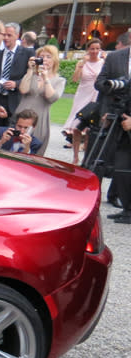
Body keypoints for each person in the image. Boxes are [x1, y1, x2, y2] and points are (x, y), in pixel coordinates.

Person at [96, 37, 131, 223]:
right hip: (117, 118)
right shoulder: (115, 57)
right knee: (120, 165)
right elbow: (100, 83)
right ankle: (127, 208)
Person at [16, 45, 64, 157]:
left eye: (48, 57)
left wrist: (46, 78)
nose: (45, 60)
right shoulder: (31, 74)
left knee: (34, 153)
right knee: (15, 148)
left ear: (55, 60)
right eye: (42, 57)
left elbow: (52, 97)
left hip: (40, 119)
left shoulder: (59, 80)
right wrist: (30, 70)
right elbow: (23, 89)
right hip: (22, 115)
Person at [64, 38, 103, 164]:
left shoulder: (103, 62)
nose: (95, 51)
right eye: (92, 48)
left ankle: (86, 158)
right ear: (88, 49)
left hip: (96, 95)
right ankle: (75, 157)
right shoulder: (82, 62)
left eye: (97, 48)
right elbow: (75, 79)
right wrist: (81, 64)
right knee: (77, 127)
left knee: (90, 129)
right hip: (82, 94)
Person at [0, 23, 33, 128]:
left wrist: (17, 84)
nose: (5, 38)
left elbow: (32, 75)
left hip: (16, 100)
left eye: (9, 35)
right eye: (4, 35)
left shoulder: (27, 53)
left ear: (17, 35)